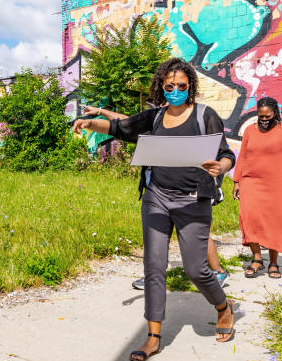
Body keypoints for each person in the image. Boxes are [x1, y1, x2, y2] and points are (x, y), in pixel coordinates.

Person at [73, 58, 238, 361]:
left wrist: (221, 166)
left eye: (181, 86)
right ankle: (153, 337)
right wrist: (88, 122)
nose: (175, 90)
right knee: (154, 266)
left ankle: (223, 307)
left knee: (195, 269)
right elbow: (119, 127)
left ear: (191, 87)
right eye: (169, 86)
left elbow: (227, 153)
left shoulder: (205, 116)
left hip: (193, 200)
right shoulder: (155, 117)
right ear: (162, 86)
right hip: (156, 197)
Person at [80, 103, 230, 291]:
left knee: (196, 232)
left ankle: (218, 271)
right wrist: (100, 113)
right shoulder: (155, 118)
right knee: (156, 234)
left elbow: (222, 152)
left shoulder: (190, 119)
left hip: (189, 187)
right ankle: (153, 276)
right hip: (157, 185)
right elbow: (126, 121)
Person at [232, 97, 282, 280]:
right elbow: (243, 157)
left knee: (275, 222)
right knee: (250, 218)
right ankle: (256, 259)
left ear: (275, 114)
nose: (264, 120)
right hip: (251, 183)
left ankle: (273, 261)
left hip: (278, 185)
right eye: (260, 116)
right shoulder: (249, 130)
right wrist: (236, 180)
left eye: (268, 116)